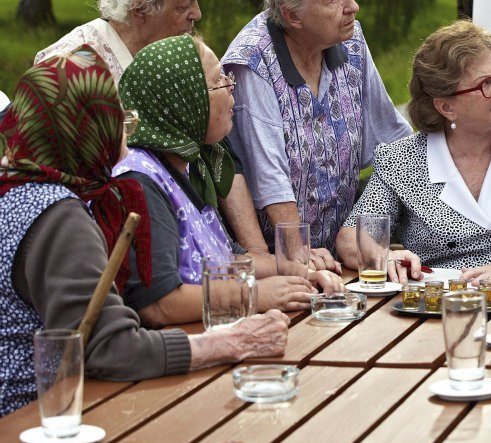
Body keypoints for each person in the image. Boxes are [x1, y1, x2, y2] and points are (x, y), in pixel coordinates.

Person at [0, 47, 288, 417]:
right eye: (114, 114)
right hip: (33, 420)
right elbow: (110, 348)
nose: (126, 124)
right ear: (90, 131)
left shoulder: (14, 191)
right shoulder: (58, 217)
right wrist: (229, 342)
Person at [34, 0, 272, 257]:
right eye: (183, 5)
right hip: (108, 249)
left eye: (197, 0)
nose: (197, 14)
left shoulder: (180, 53)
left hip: (191, 241)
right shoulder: (70, 66)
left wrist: (258, 255)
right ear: (140, 9)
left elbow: (217, 152)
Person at [114, 35, 343, 328]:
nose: (231, 90)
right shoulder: (140, 182)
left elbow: (225, 260)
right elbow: (159, 304)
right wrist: (255, 295)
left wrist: (297, 271)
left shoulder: (179, 167)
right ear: (184, 101)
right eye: (218, 82)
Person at [335, 21, 491, 281]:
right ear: (446, 107)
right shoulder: (401, 160)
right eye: (487, 84)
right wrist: (385, 257)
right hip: (433, 303)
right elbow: (352, 239)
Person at [222, 0, 411, 253]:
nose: (353, 6)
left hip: (340, 257)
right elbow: (271, 178)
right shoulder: (252, 61)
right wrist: (299, 257)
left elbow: (392, 141)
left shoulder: (351, 41)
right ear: (293, 15)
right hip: (276, 264)